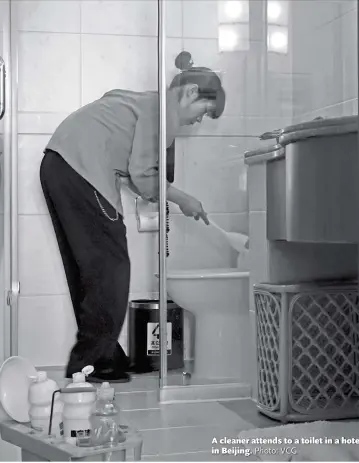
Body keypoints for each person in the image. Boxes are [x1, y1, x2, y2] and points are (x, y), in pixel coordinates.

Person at [39, 51, 226, 383]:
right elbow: (142, 175)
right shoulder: (163, 113)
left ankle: (104, 352)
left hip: (58, 163)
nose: (199, 121)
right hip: (80, 167)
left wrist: (149, 186)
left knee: (87, 268)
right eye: (204, 111)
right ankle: (92, 360)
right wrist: (184, 199)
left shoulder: (145, 103)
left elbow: (132, 166)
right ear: (191, 93)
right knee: (112, 265)